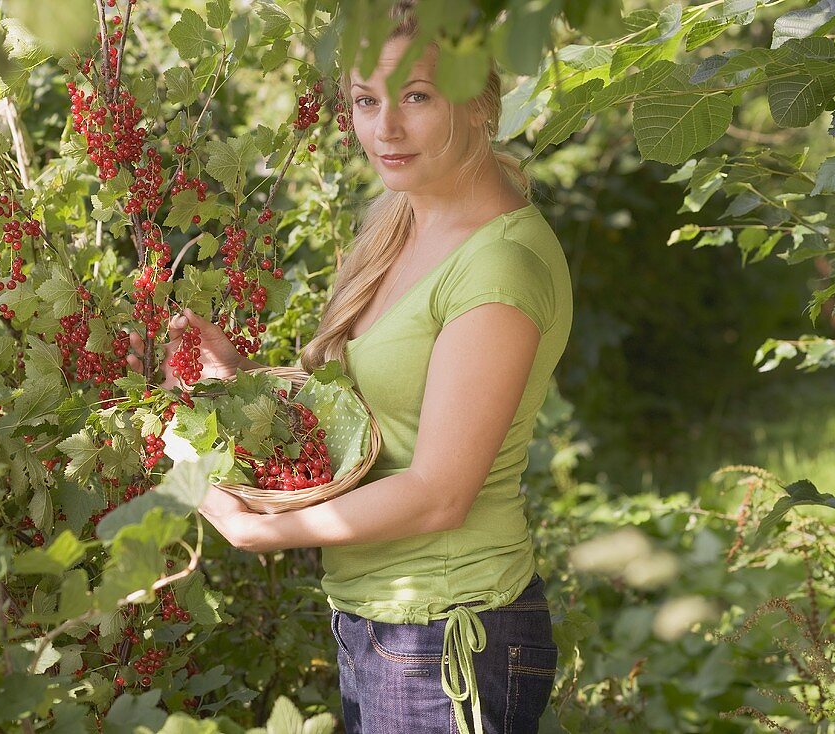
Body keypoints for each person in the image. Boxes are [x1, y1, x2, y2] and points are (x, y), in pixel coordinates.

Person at [127, 4, 573, 732]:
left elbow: (437, 495)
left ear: (479, 98)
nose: (384, 129)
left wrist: (254, 529)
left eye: (416, 96)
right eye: (366, 101)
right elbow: (373, 421)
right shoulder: (404, 217)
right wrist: (237, 384)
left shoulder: (500, 267)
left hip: (448, 632)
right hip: (377, 625)